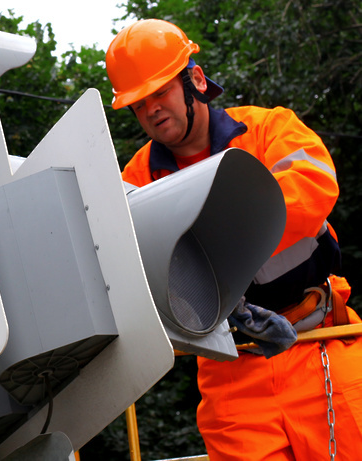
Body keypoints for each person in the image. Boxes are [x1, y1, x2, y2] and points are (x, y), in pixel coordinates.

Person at [105, 19, 362, 460]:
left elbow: (315, 185)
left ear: (196, 81)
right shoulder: (136, 179)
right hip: (231, 374)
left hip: (320, 343)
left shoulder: (268, 129)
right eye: (139, 103)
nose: (152, 110)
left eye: (161, 92)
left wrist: (214, 239)